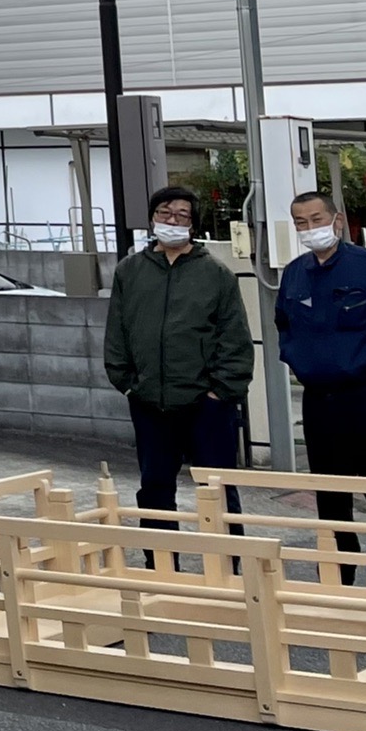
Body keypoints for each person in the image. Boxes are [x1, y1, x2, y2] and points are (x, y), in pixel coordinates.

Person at [275, 189, 366, 580]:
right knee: (331, 496)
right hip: (320, 399)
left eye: (317, 220)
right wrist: (300, 362)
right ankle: (341, 580)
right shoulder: (294, 273)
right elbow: (285, 328)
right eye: (302, 223)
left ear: (336, 220)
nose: (311, 229)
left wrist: (360, 362)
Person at [103, 185, 254, 528]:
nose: (172, 220)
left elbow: (236, 341)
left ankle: (227, 571)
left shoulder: (216, 274)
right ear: (153, 219)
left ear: (193, 225)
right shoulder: (130, 271)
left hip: (207, 404)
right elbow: (116, 335)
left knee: (216, 491)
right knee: (154, 489)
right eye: (164, 213)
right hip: (150, 402)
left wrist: (219, 393)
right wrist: (129, 385)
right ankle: (160, 568)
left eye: (182, 215)